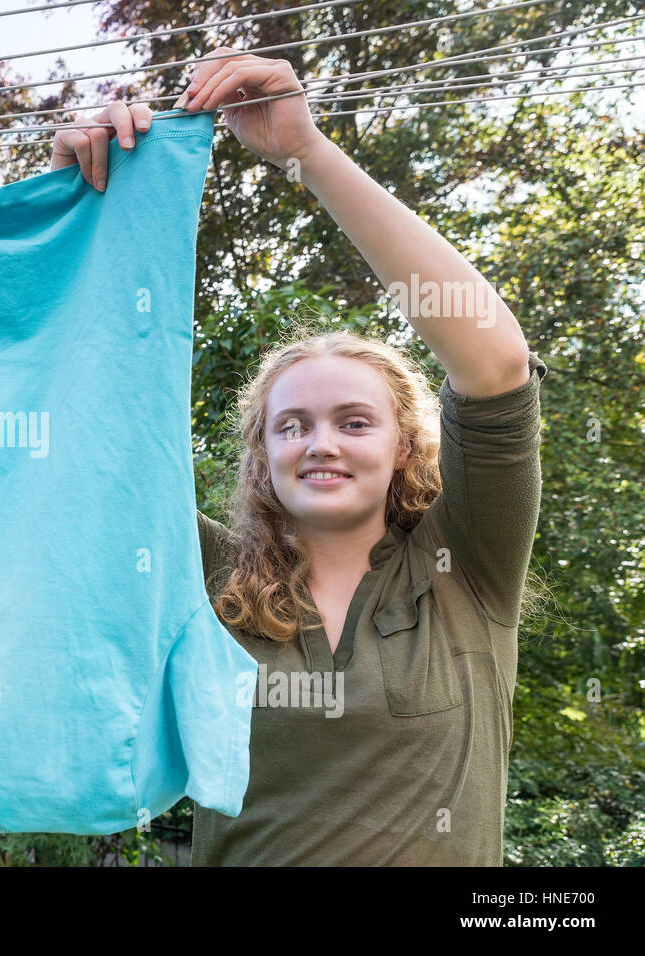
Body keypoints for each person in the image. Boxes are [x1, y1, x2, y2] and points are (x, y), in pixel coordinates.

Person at [49, 49, 547, 865]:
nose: (319, 442)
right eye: (292, 426)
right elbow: (70, 441)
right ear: (261, 454)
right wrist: (80, 210)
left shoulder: (468, 566)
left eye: (355, 421)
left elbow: (495, 367)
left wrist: (307, 153)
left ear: (404, 447)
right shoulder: (206, 571)